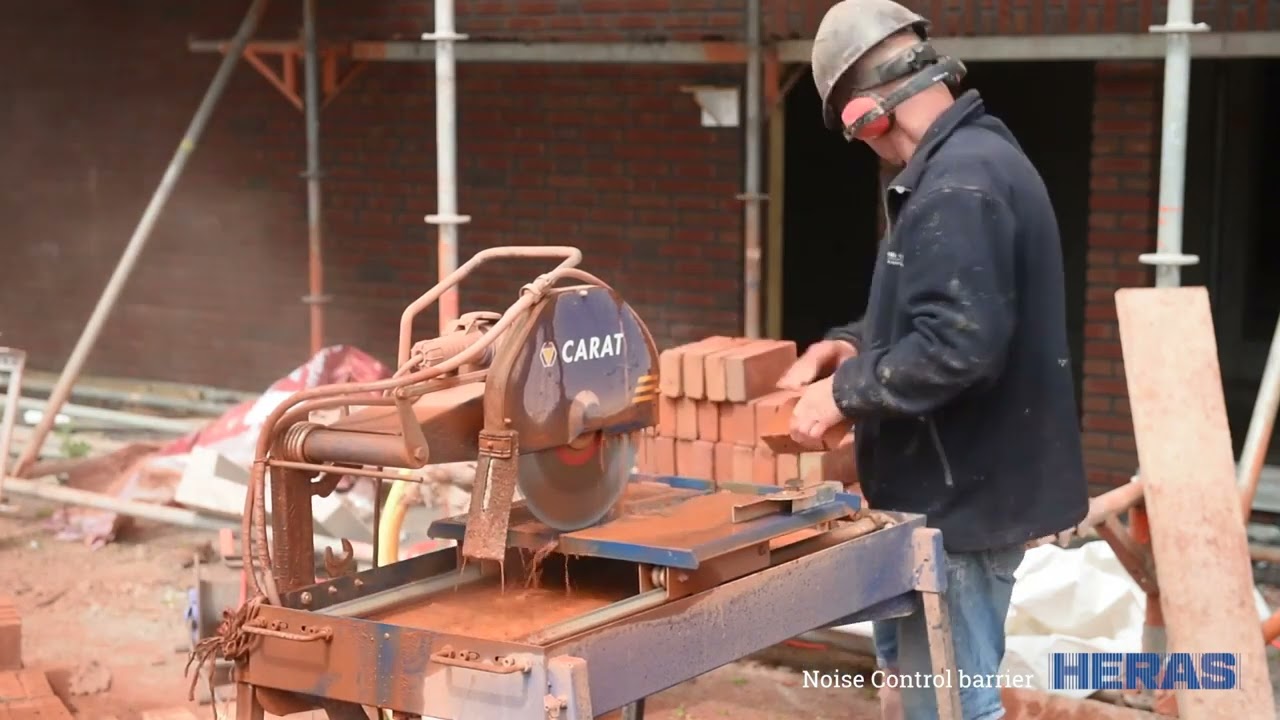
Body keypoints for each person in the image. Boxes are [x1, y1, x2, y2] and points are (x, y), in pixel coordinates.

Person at [778, 1, 1090, 718]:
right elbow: (941, 309)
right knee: (923, 690)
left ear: (866, 114)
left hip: (963, 508)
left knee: (951, 703)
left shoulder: (957, 185)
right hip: (951, 494)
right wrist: (853, 343)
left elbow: (956, 346)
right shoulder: (973, 159)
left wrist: (844, 393)